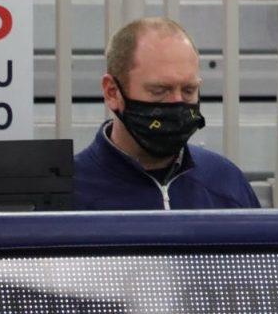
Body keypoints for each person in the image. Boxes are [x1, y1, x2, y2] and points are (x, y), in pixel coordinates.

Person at [72, 17, 260, 210]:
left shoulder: (226, 183)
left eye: (188, 90)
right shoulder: (70, 193)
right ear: (112, 92)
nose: (177, 103)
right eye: (159, 91)